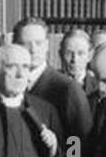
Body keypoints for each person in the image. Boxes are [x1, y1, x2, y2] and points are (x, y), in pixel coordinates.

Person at [17, 16, 91, 148]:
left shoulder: (67, 88)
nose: (33, 50)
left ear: (47, 45)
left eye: (38, 43)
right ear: (16, 46)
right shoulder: (10, 84)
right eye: (26, 44)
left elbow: (77, 137)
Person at [59, 28, 96, 95]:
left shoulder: (98, 88)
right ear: (60, 54)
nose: (74, 60)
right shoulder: (49, 85)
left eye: (80, 53)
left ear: (89, 56)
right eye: (69, 53)